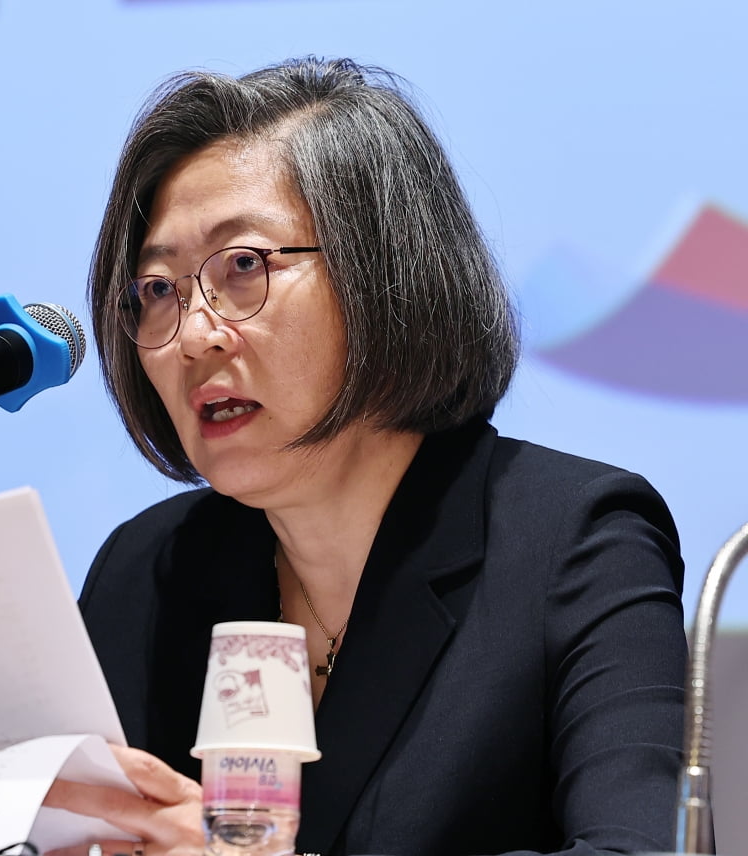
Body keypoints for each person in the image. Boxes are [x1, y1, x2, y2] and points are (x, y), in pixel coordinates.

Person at [42, 57, 688, 856]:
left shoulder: (574, 542)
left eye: (243, 266)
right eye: (157, 289)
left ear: (383, 274)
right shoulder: (146, 572)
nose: (195, 335)